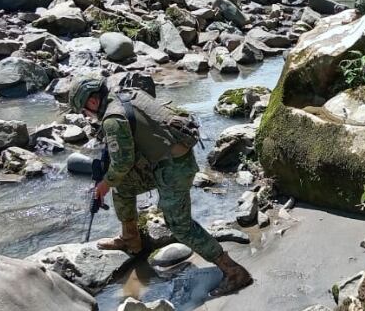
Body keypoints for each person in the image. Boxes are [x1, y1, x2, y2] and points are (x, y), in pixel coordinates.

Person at [70, 77, 253, 297]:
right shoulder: (126, 94)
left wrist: (104, 184)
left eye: (83, 111)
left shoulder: (113, 119)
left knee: (179, 225)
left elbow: (122, 162)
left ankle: (234, 271)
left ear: (91, 102)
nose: (86, 116)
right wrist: (112, 182)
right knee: (123, 187)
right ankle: (131, 240)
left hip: (174, 169)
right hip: (164, 161)